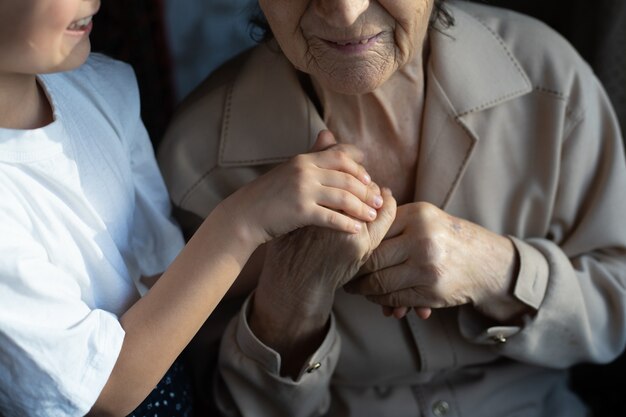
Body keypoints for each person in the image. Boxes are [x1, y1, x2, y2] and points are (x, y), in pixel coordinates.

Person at [157, 0, 626, 416]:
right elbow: (217, 402)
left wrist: (497, 270)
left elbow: (617, 308)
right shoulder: (198, 160)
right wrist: (291, 300)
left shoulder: (548, 79)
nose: (344, 10)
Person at [0, 0, 386, 415]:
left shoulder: (103, 88)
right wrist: (243, 219)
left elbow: (163, 283)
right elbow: (104, 389)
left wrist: (329, 240)